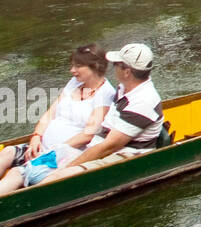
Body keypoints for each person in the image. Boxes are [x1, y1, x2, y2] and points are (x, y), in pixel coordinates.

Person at [35, 44, 163, 186]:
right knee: (42, 166)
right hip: (100, 147)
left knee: (54, 178)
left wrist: (68, 167)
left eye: (116, 64)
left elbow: (109, 146)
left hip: (124, 156)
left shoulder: (143, 102)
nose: (112, 67)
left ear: (127, 72)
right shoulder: (124, 88)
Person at [0, 44, 115, 195]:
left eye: (78, 66)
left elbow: (88, 135)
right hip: (42, 147)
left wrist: (54, 150)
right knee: (8, 151)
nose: (72, 70)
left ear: (95, 67)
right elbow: (50, 113)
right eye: (72, 65)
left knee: (17, 172)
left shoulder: (106, 93)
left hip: (63, 155)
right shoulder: (75, 83)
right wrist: (36, 136)